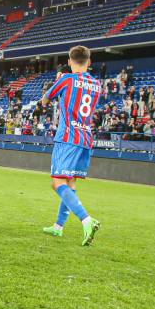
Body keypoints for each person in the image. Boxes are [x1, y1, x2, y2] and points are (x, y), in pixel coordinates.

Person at [40, 46, 102, 247]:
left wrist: (59, 80)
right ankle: (58, 227)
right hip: (85, 137)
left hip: (67, 136)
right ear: (89, 62)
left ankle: (87, 220)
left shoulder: (66, 79)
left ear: (69, 61)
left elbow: (45, 100)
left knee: (57, 183)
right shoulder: (97, 84)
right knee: (70, 183)